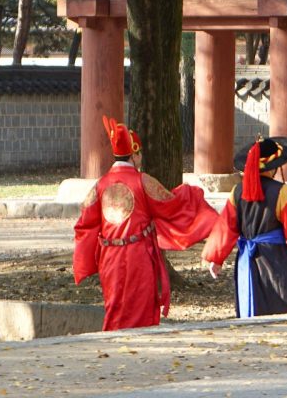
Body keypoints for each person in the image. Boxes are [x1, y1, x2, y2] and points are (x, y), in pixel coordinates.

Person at [73, 116, 218, 331]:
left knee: (115, 306)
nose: (140, 158)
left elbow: (85, 224)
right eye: (139, 154)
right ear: (134, 154)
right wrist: (191, 194)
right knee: (140, 307)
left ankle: (112, 346)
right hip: (138, 256)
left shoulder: (100, 185)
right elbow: (172, 205)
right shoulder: (143, 182)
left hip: (109, 258)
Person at [202, 135, 287, 318]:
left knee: (252, 308)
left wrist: (216, 258)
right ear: (274, 166)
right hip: (277, 260)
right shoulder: (282, 192)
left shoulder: (237, 192)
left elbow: (226, 227)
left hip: (247, 258)